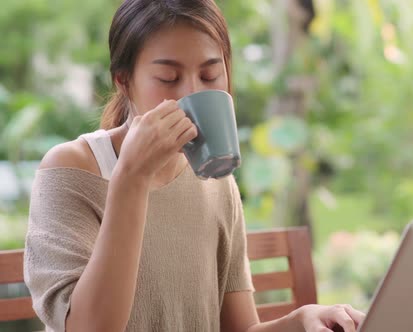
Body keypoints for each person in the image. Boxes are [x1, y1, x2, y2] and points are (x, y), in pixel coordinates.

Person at [23, 0, 365, 331]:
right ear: (124, 81)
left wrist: (300, 321)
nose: (191, 93)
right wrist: (131, 178)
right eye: (169, 78)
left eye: (210, 74)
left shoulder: (216, 181)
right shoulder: (72, 170)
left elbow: (240, 329)